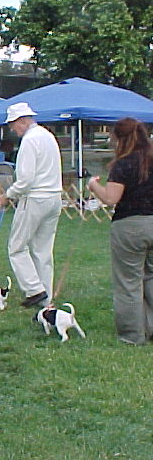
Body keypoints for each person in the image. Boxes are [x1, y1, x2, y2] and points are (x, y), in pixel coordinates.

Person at [88, 117, 153, 345]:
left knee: (129, 281)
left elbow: (110, 198)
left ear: (119, 138)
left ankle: (132, 336)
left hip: (131, 226)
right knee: (151, 277)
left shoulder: (124, 164)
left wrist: (93, 185)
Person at [0, 102, 62, 308]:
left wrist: (7, 196)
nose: (12, 130)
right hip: (54, 197)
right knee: (42, 250)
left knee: (16, 247)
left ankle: (35, 290)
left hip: (35, 198)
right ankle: (46, 299)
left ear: (22, 121)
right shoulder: (48, 136)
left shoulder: (30, 140)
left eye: (13, 125)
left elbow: (25, 179)